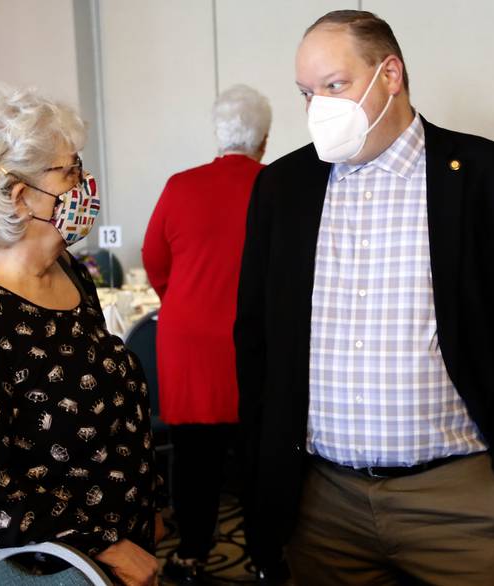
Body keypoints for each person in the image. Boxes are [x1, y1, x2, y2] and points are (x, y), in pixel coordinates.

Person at [234, 10, 494, 586]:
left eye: (335, 86)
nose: (319, 108)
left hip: (464, 501)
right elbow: (257, 338)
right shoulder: (282, 188)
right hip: (322, 504)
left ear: (390, 75)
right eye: (306, 93)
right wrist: (267, 477)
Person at [0, 85, 161, 586]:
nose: (86, 183)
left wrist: (138, 508)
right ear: (21, 197)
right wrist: (107, 546)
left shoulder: (65, 270)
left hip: (119, 550)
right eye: (71, 171)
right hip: (41, 572)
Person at [142, 84, 271, 583]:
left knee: (194, 459)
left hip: (190, 343)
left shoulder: (180, 186)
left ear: (219, 136)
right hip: (254, 347)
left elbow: (154, 261)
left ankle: (193, 554)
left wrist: (184, 299)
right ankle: (263, 557)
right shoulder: (276, 186)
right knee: (259, 461)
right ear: (263, 140)